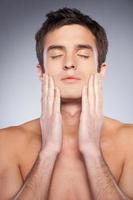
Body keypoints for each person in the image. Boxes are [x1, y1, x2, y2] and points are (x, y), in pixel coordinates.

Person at [0, 7, 132, 200]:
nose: (69, 63)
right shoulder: (6, 143)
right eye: (56, 55)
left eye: (83, 55)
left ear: (101, 71)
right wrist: (48, 151)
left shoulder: (130, 141)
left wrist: (92, 151)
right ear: (41, 72)